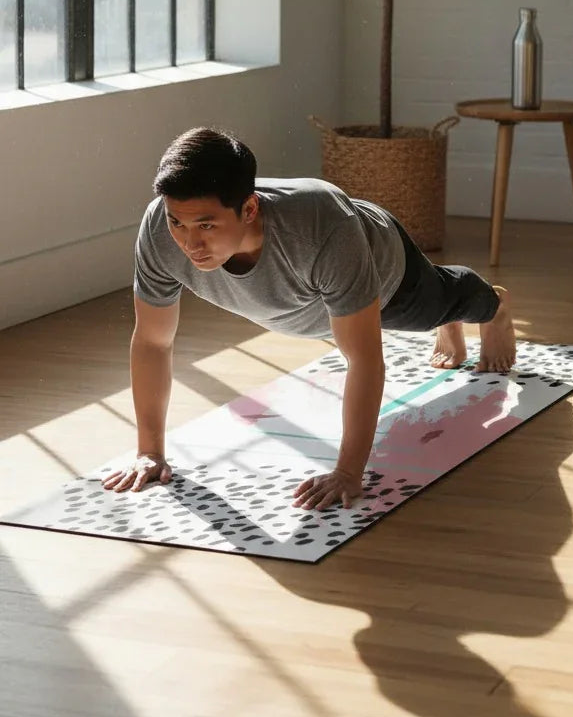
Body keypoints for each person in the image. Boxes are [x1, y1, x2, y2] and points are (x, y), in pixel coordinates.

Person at [103, 126, 516, 512]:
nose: (189, 242)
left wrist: (348, 473)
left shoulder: (322, 228)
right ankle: (448, 319)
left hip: (381, 269)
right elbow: (153, 343)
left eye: (206, 225)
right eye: (178, 222)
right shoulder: (160, 229)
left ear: (249, 208)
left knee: (439, 303)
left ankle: (494, 308)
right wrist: (149, 452)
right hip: (305, 302)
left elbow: (364, 360)